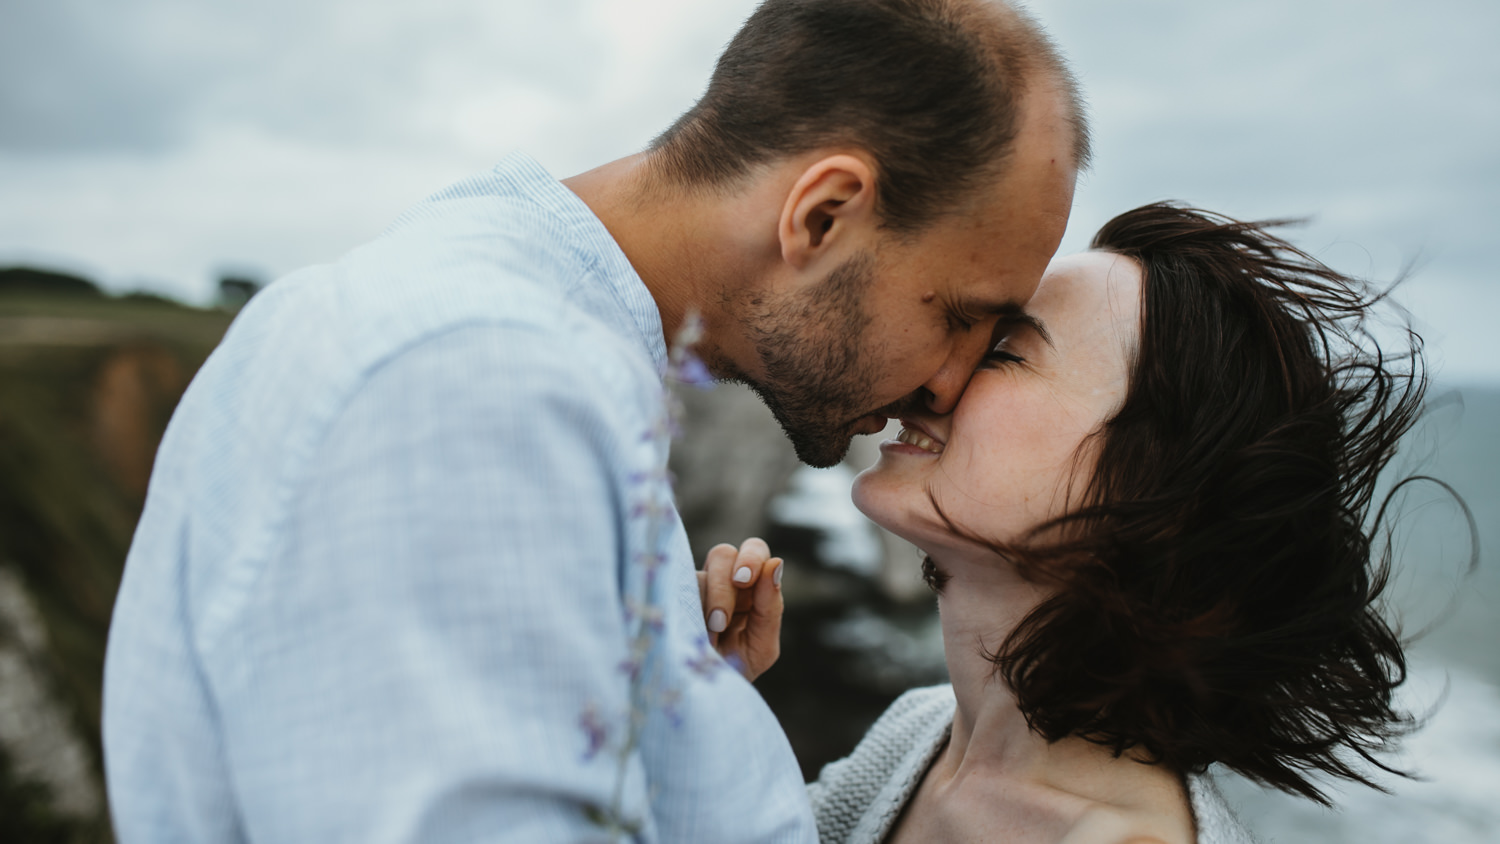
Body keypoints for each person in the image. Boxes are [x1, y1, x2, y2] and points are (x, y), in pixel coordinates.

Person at [101, 1, 1090, 841]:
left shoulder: (531, 353)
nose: (953, 383)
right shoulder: (475, 379)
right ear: (822, 216)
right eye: (959, 316)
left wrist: (678, 709)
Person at [703, 202, 1425, 844]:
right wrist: (710, 702)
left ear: (1151, 483)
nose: (934, 376)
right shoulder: (918, 738)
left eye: (1005, 351)